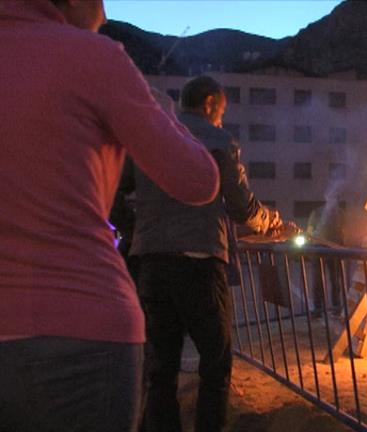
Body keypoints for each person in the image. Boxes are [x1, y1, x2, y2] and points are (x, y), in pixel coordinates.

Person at [0, 1, 221, 431]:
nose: (103, 12)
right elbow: (198, 180)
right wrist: (159, 110)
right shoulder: (92, 57)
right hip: (83, 335)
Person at [128, 75, 289, 432]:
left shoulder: (152, 137)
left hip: (152, 263)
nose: (221, 119)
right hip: (198, 263)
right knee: (215, 364)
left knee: (161, 369)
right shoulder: (216, 141)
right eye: (222, 111)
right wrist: (269, 221)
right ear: (209, 104)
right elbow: (241, 206)